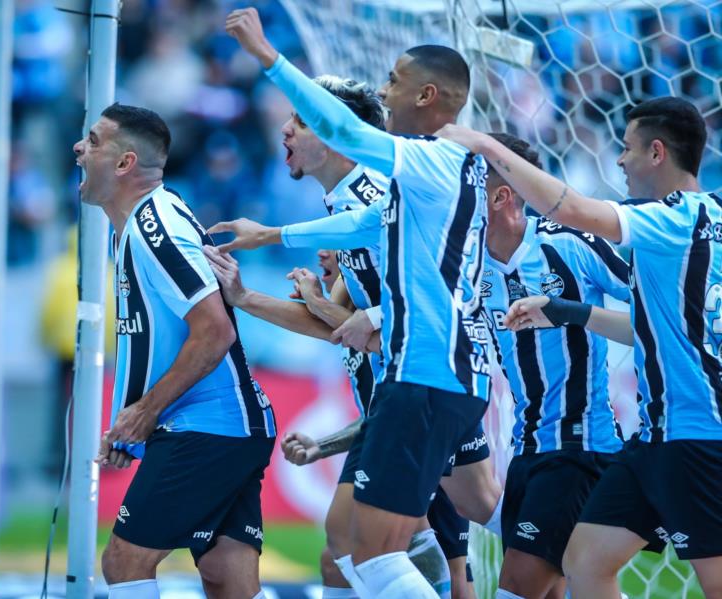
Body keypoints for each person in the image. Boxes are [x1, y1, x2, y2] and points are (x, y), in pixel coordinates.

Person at [221, 8, 498, 597]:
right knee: (467, 521)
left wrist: (268, 57)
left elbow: (359, 315)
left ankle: (571, 527)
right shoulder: (384, 196)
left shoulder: (406, 171)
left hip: (423, 377)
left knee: (366, 552)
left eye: (302, 120)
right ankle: (564, 535)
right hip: (426, 380)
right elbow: (348, 292)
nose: (287, 132)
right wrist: (261, 264)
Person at [438, 97, 722, 598]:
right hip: (649, 436)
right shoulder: (702, 219)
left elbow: (570, 209)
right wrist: (569, 312)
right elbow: (652, 326)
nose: (617, 160)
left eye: (626, 148)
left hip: (676, 436)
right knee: (584, 564)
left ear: (657, 153)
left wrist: (484, 142)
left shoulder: (672, 219)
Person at [73, 103, 276, 599]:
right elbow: (160, 340)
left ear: (124, 164)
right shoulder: (147, 223)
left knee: (124, 562)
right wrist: (131, 424)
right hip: (225, 425)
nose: (79, 149)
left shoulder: (153, 230)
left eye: (94, 140)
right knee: (227, 575)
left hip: (208, 426)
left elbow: (214, 332)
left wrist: (145, 412)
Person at [476, 133, 633, 599]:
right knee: (560, 587)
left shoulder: (569, 244)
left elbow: (656, 307)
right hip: (524, 448)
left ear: (501, 195)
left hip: (579, 445)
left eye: (465, 185)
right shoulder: (466, 265)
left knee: (517, 587)